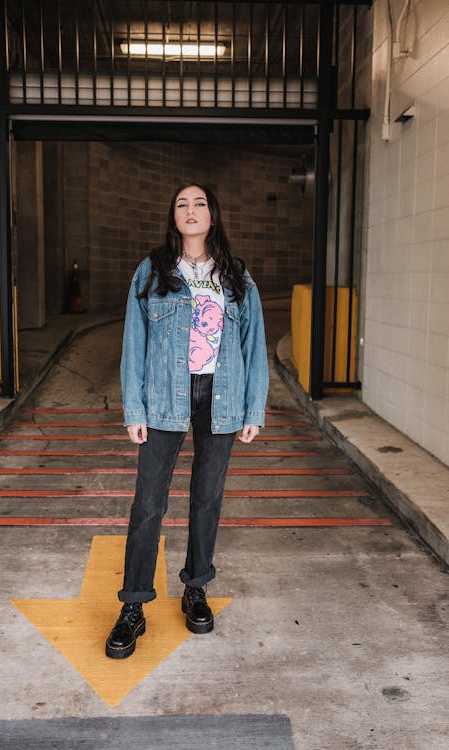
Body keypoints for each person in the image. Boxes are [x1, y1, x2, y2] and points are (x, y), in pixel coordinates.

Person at [106, 183, 269, 659]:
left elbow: (253, 344)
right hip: (162, 396)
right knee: (148, 504)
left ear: (212, 215)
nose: (191, 210)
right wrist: (133, 409)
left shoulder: (236, 275)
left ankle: (195, 587)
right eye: (182, 204)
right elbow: (133, 344)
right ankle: (133, 606)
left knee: (206, 499)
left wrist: (251, 408)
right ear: (173, 217)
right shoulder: (153, 271)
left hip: (221, 398)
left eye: (199, 203)